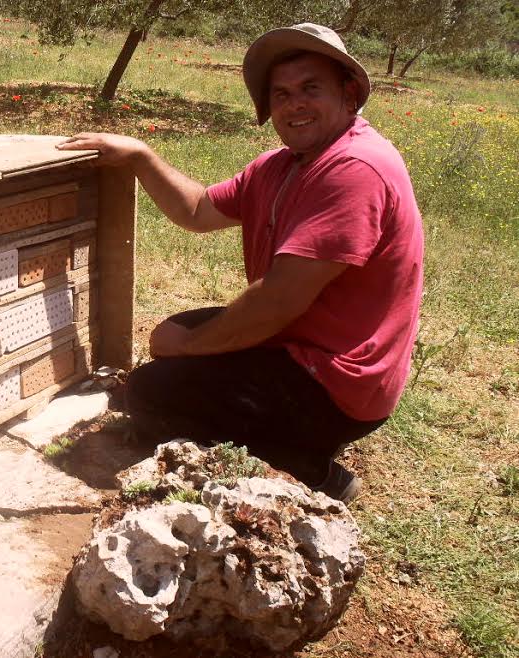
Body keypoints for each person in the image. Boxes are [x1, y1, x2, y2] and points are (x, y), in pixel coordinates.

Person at [56, 23, 424, 503]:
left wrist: (190, 349)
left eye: (311, 88)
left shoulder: (355, 169)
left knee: (151, 390)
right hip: (298, 342)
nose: (294, 105)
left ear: (348, 93)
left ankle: (307, 469)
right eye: (281, 94)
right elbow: (197, 210)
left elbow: (275, 303)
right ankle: (280, 439)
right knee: (169, 336)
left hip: (338, 382)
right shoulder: (282, 164)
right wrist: (141, 157)